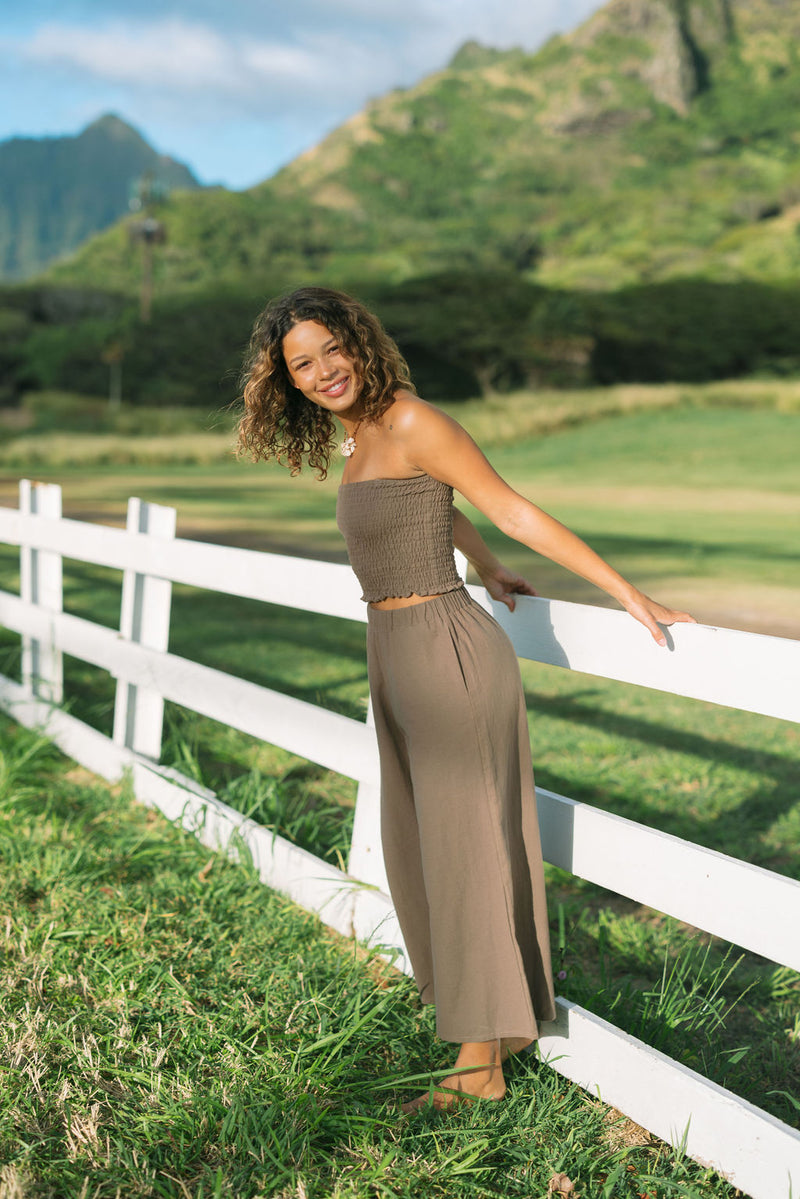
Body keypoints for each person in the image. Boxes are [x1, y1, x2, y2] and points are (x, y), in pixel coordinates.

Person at [238, 286, 695, 1112]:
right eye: (300, 365)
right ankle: (488, 1026)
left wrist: (628, 591)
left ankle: (479, 1068)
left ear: (357, 341)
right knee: (421, 848)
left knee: (467, 854)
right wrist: (485, 563)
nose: (320, 373)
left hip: (447, 655)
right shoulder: (357, 433)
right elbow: (433, 508)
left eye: (329, 351)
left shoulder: (413, 419)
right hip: (393, 652)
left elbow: (507, 503)